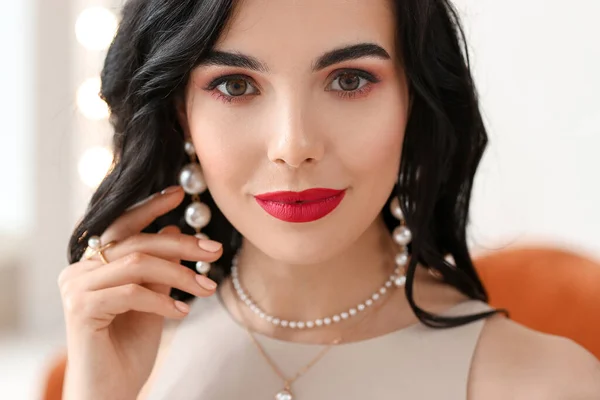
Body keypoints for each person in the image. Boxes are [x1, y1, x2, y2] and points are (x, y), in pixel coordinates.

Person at [58, 0, 600, 399]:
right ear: (181, 114)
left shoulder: (548, 383)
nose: (294, 146)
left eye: (348, 80)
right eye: (236, 86)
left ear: (415, 102)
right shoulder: (125, 349)